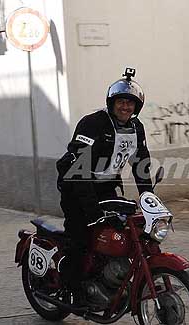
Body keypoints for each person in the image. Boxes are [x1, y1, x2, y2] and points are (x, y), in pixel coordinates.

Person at [56, 68, 153, 304]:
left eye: (130, 104)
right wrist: (93, 212)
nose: (125, 107)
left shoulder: (136, 128)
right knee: (80, 238)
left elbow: (141, 163)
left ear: (136, 107)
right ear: (112, 103)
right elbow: (78, 171)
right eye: (121, 102)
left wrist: (149, 197)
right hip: (77, 187)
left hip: (106, 187)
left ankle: (109, 276)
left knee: (123, 232)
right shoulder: (92, 124)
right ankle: (73, 291)